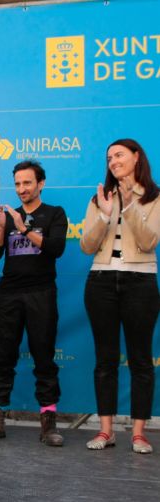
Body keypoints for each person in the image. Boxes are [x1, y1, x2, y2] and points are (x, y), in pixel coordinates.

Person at [0, 161, 67, 446]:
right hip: (9, 293)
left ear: (40, 184)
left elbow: (56, 249)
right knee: (3, 357)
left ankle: (48, 423)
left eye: (27, 183)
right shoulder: (9, 216)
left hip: (42, 293)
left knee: (44, 357)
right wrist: (2, 227)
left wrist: (23, 228)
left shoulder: (54, 213)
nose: (21, 189)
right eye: (17, 184)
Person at [80, 139, 160, 455]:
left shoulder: (154, 197)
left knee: (140, 359)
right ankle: (106, 430)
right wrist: (104, 214)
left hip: (140, 282)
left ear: (136, 157)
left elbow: (149, 240)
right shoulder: (100, 198)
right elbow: (86, 245)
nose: (113, 161)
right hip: (100, 281)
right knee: (105, 359)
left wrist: (128, 207)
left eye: (119, 155)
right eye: (109, 156)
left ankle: (139, 432)